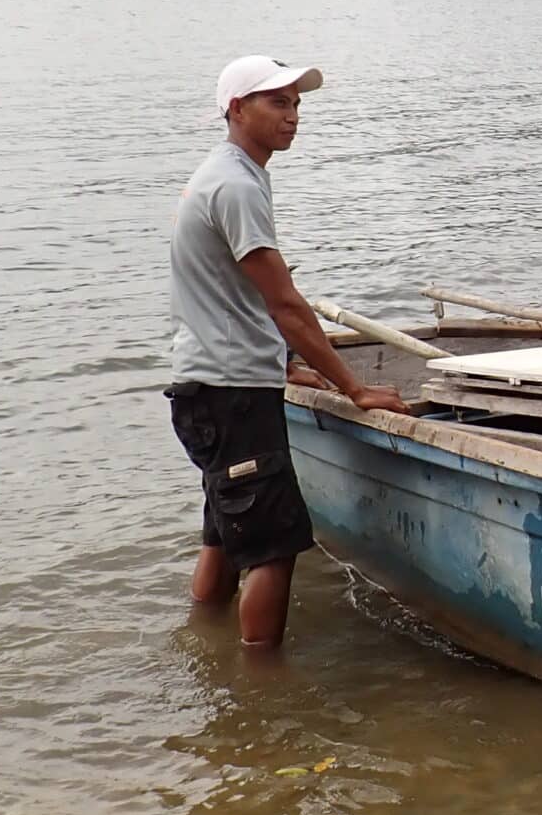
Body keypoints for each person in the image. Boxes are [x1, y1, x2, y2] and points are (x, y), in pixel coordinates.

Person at [167, 56, 411, 649]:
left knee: (224, 537)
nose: (292, 115)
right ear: (235, 109)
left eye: (296, 104)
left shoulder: (232, 174)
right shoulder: (235, 185)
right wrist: (352, 387)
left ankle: (204, 653)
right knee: (273, 550)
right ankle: (260, 697)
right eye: (277, 102)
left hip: (208, 387)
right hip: (233, 397)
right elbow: (285, 304)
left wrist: (283, 364)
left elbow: (228, 297)